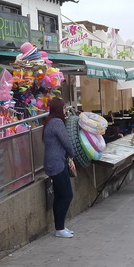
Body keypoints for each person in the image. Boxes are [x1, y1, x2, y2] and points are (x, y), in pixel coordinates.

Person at [43, 98, 77, 237]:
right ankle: (59, 228)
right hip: (56, 164)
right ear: (59, 109)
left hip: (54, 162)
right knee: (67, 195)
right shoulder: (57, 122)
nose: (65, 111)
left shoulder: (49, 122)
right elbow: (66, 141)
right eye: (63, 108)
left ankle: (60, 227)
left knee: (59, 196)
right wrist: (72, 155)